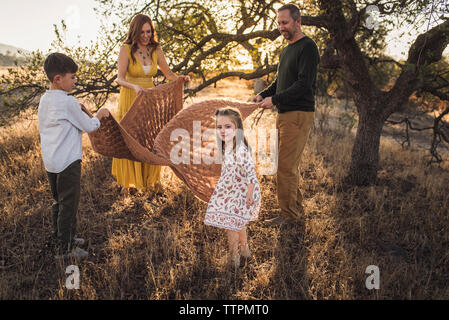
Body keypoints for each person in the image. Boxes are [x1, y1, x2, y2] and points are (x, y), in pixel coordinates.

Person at [251, 3, 320, 225]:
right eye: (279, 23)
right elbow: (280, 83)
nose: (281, 27)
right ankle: (295, 212)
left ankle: (289, 216)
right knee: (289, 166)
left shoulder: (308, 47)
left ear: (298, 21)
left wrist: (276, 100)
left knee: (285, 167)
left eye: (285, 22)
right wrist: (263, 95)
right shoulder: (287, 49)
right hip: (285, 114)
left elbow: (303, 84)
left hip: (298, 114)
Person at [39, 52, 109, 258]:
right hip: (68, 162)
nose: (75, 81)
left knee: (58, 202)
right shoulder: (68, 103)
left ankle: (60, 236)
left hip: (51, 162)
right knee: (69, 204)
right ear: (58, 79)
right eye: (72, 77)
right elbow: (89, 126)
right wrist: (100, 116)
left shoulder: (45, 100)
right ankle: (66, 249)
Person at [112, 13, 190, 195]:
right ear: (135, 32)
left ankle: (151, 180)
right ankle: (127, 182)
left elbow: (169, 74)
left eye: (149, 31)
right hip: (131, 96)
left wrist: (180, 79)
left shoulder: (156, 49)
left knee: (150, 138)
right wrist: (134, 87)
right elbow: (120, 78)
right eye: (142, 32)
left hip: (149, 98)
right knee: (131, 138)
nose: (146, 36)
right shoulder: (126, 49)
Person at [204, 108, 261, 269]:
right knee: (238, 223)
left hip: (244, 193)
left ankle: (234, 258)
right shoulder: (226, 146)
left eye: (227, 127)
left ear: (237, 128)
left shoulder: (241, 150)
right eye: (219, 127)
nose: (222, 130)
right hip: (232, 191)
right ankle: (245, 250)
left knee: (231, 227)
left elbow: (251, 175)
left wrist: (249, 196)